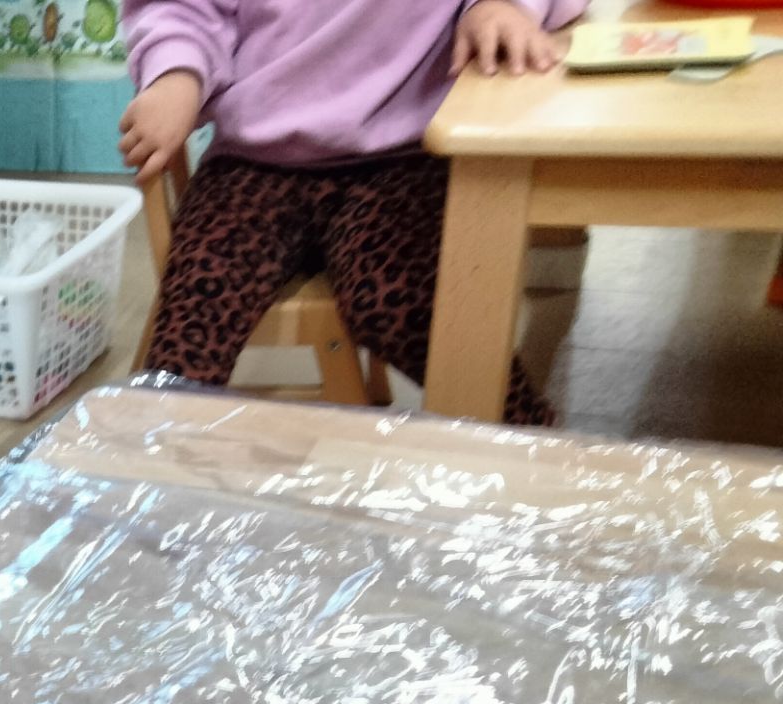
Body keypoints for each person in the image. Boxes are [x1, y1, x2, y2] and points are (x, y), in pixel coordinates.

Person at [120, 0, 586, 426]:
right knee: (193, 322)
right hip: (252, 159)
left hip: (403, 157)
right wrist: (176, 74)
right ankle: (153, 462)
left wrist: (502, 6)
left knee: (404, 303)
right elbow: (181, 10)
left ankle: (530, 436)